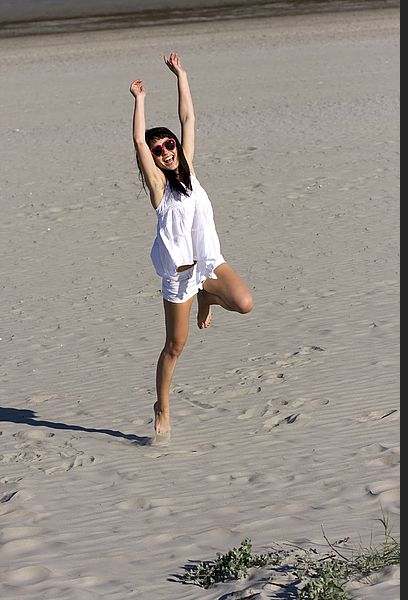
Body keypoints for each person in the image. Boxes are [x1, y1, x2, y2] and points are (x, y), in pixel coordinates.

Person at [130, 52, 253, 440]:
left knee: (244, 303)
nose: (166, 151)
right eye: (158, 151)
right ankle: (161, 406)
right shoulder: (159, 189)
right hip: (178, 279)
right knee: (174, 347)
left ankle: (209, 297)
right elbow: (137, 138)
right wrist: (140, 100)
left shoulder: (190, 171)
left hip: (208, 263)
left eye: (168, 145)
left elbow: (189, 119)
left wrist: (181, 76)